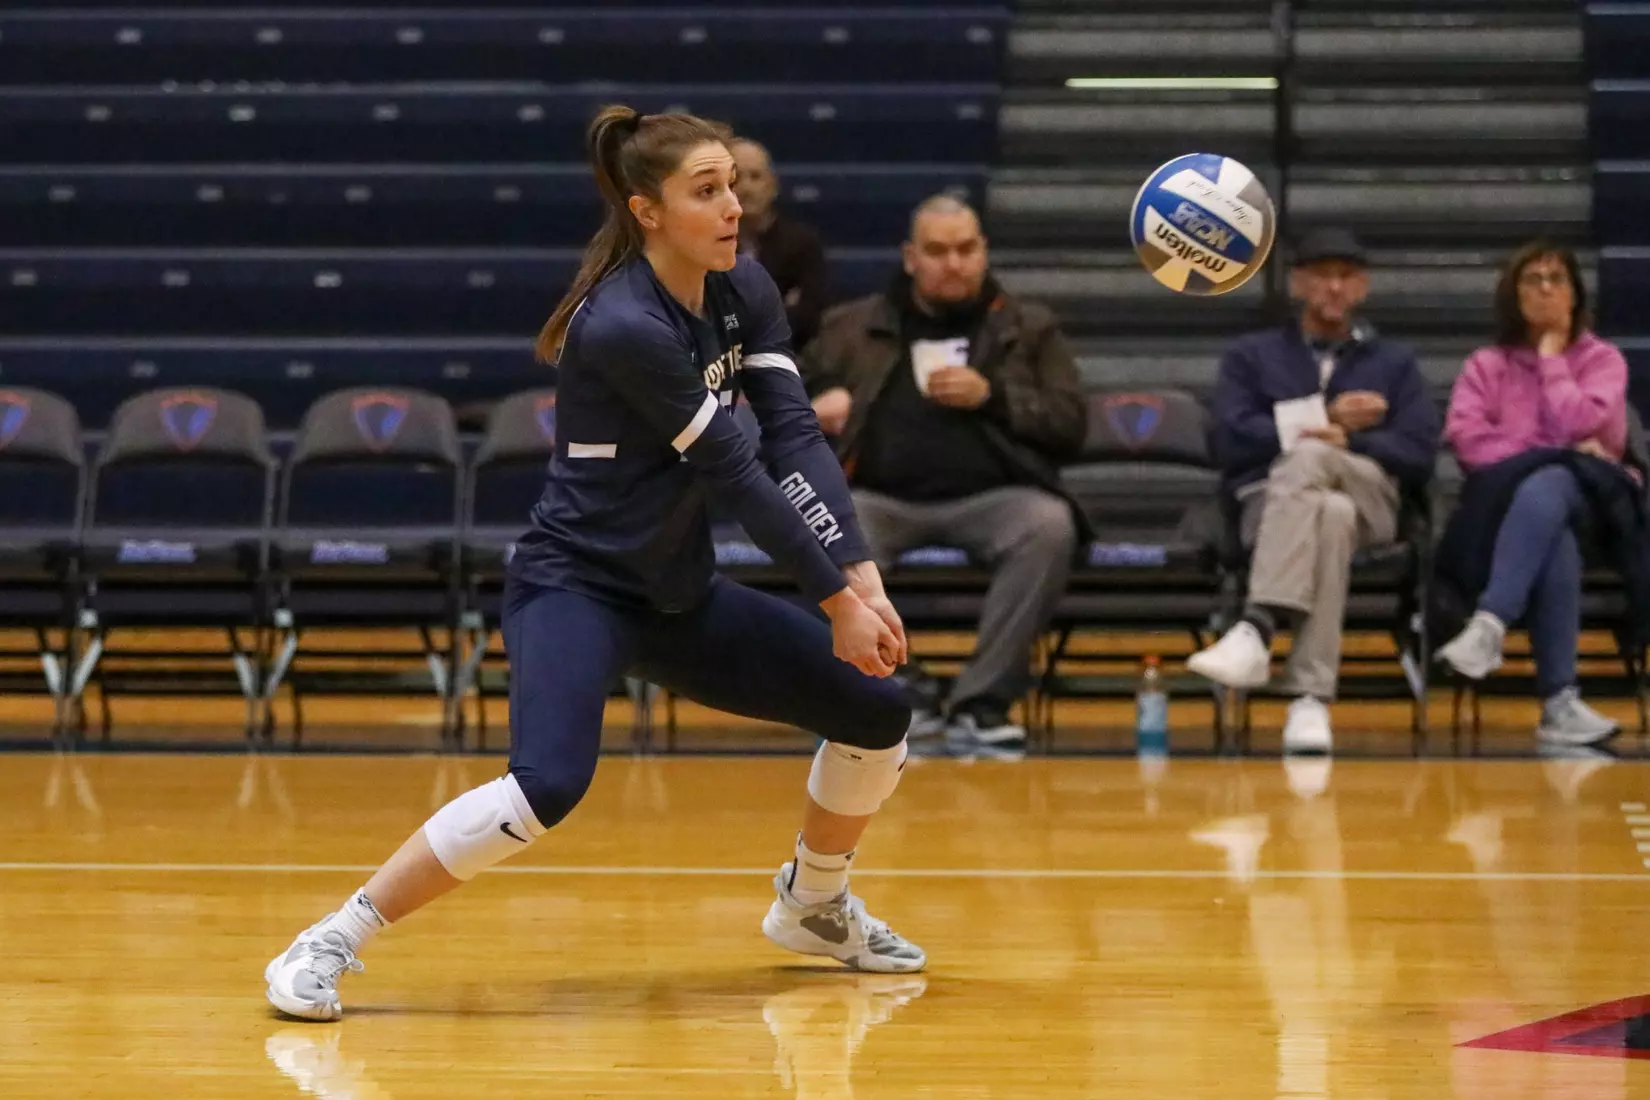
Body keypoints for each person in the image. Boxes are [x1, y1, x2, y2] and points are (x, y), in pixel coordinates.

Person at [264, 106, 927, 1022]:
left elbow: (794, 434)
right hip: (577, 585)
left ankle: (813, 905)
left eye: (733, 183)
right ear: (646, 209)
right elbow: (735, 468)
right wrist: (831, 602)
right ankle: (333, 936)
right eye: (707, 190)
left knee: (877, 710)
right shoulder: (621, 324)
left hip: (676, 595)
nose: (733, 205)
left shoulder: (745, 289)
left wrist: (861, 576)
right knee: (547, 785)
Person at [799, 195, 1086, 749]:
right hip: (878, 497)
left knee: (1048, 526)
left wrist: (995, 396)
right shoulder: (853, 325)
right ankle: (897, 690)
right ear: (910, 257)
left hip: (996, 496)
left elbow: (1072, 423)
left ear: (983, 252)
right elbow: (780, 401)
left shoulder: (1028, 328)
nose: (953, 263)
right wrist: (816, 406)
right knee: (829, 524)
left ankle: (981, 702)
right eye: (937, 251)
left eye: (965, 249)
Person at [1188, 228, 1438, 753]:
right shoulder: (1251, 356)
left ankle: (1256, 626)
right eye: (1321, 276)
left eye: (1345, 277)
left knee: (1313, 461)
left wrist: (1350, 437)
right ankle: (1309, 701)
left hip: (1375, 498)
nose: (1333, 288)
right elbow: (1228, 439)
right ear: (1298, 283)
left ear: (1363, 287)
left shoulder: (1395, 362)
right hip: (1270, 504)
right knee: (1330, 515)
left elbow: (1418, 452)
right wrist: (1318, 416)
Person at [1434, 240, 1646, 747]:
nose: (1546, 288)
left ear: (1575, 295)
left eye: (1557, 279)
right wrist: (1554, 450)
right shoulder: (1487, 365)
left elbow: (1587, 421)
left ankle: (1490, 623)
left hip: (1601, 513)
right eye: (1534, 279)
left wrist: (1552, 359)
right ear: (1515, 295)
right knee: (1551, 524)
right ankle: (1558, 705)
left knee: (1552, 483)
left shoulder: (1603, 361)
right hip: (1508, 516)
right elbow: (1466, 441)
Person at [731, 138, 830, 350]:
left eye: (755, 177)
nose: (746, 188)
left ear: (772, 185)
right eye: (736, 178)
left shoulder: (803, 245)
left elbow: (808, 318)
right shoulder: (705, 246)